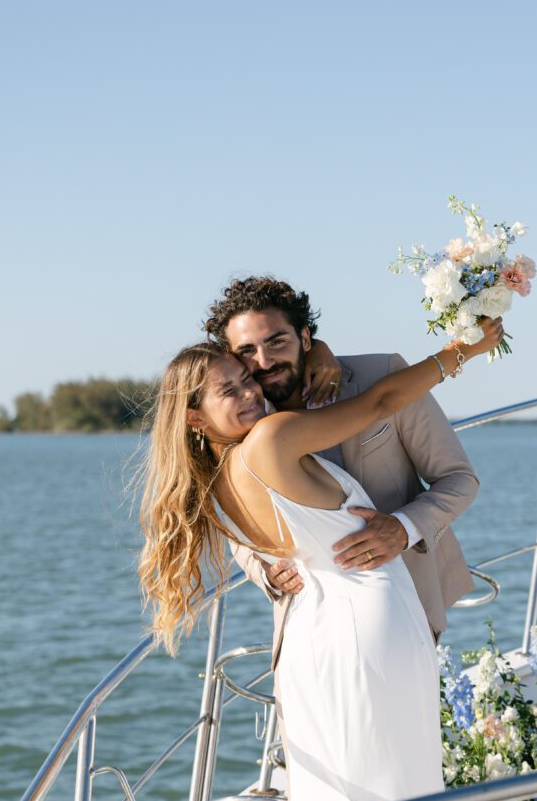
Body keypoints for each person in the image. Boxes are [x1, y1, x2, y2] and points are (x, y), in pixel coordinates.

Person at [139, 315, 504, 801]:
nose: (251, 390)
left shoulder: (215, 483)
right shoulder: (274, 437)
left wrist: (324, 352)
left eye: (246, 379)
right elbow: (384, 398)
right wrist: (464, 351)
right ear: (195, 418)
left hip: (314, 639)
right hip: (367, 622)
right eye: (229, 389)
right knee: (395, 791)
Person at [203, 277, 481, 676]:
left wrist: (402, 528)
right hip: (309, 627)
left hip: (404, 607)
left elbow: (459, 478)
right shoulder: (241, 417)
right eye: (246, 351)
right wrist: (263, 570)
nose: (263, 362)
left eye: (277, 341)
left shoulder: (382, 375)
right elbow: (240, 517)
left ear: (305, 336)